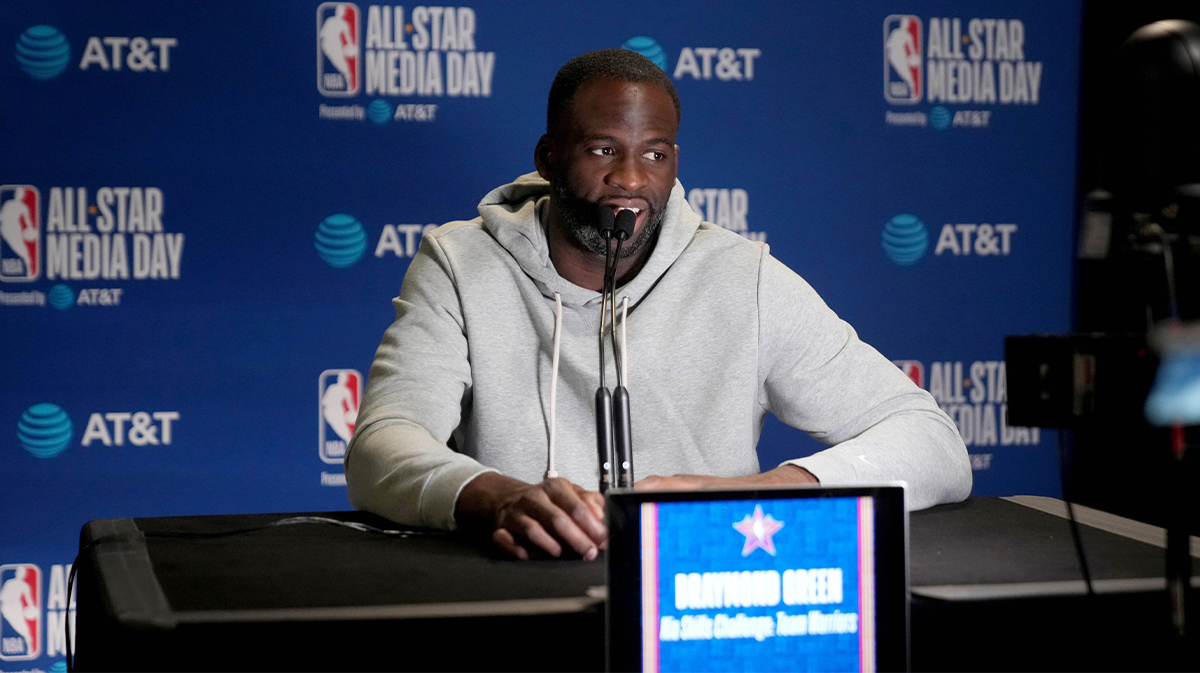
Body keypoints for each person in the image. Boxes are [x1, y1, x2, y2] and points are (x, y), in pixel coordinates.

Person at [346, 49, 971, 561]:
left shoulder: (740, 276)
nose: (632, 179)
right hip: (522, 583)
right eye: (602, 150)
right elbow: (383, 445)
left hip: (702, 593)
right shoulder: (460, 263)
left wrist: (760, 495)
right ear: (549, 157)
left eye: (655, 153)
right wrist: (498, 497)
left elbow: (934, 443)